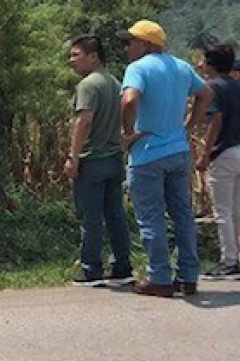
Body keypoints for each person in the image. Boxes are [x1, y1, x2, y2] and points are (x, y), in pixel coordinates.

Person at [121, 20, 212, 297]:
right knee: (182, 214)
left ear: (146, 44)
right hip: (178, 151)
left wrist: (128, 133)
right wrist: (190, 125)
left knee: (151, 217)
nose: (128, 47)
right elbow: (206, 94)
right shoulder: (182, 67)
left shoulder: (138, 68)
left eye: (132, 41)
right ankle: (188, 275)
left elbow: (128, 100)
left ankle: (159, 277)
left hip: (148, 153)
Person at [64, 35, 134, 286]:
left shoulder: (88, 85)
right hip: (114, 159)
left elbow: (84, 120)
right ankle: (122, 266)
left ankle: (91, 268)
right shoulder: (114, 82)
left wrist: (73, 156)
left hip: (92, 160)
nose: (71, 60)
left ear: (93, 56)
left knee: (90, 217)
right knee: (115, 215)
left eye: (76, 54)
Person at [195, 43, 240, 279]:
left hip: (223, 153)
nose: (199, 64)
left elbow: (216, 119)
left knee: (222, 211)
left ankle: (229, 262)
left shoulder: (212, 87)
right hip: (239, 150)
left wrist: (205, 153)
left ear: (211, 64)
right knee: (239, 209)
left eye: (202, 60)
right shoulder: (237, 86)